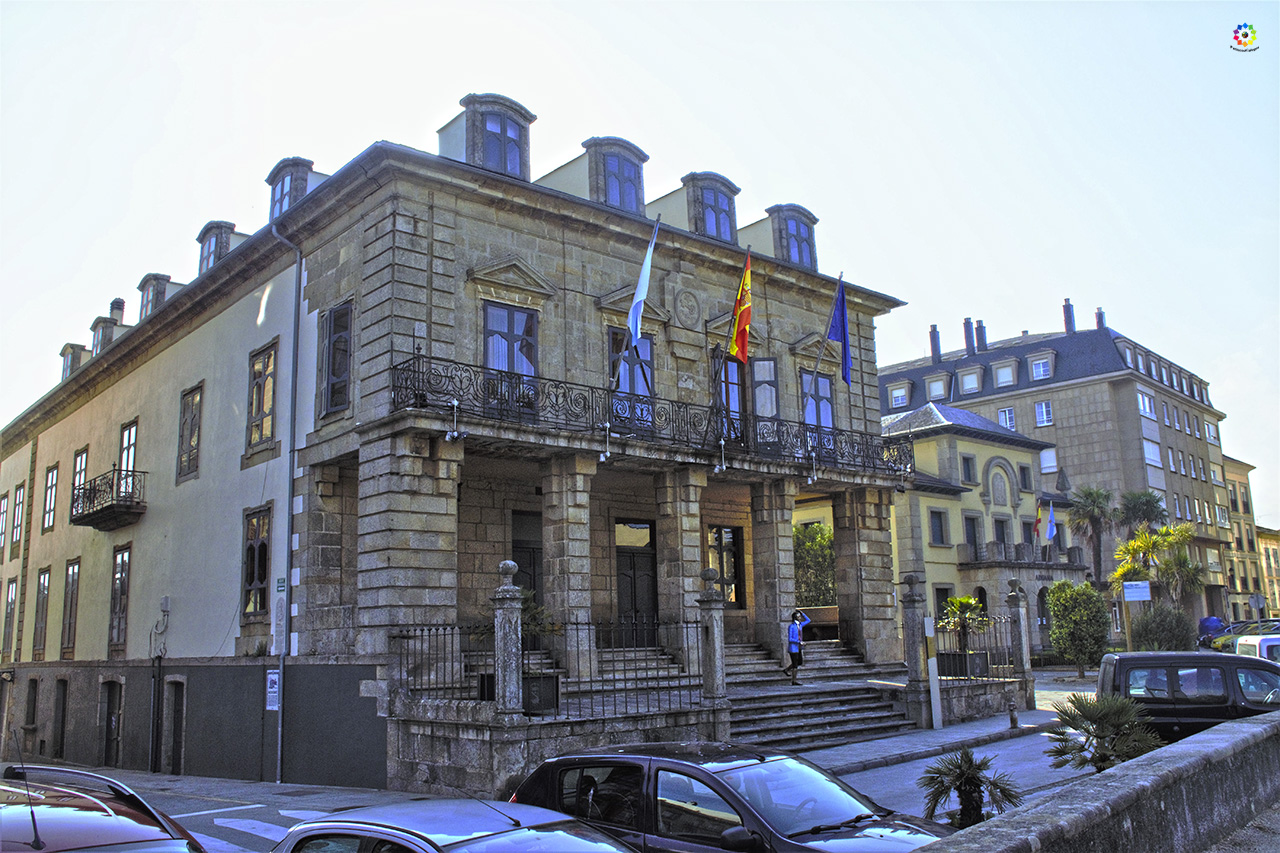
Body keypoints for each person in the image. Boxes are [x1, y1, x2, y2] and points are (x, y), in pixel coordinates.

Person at [781, 610, 811, 685]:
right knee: (795, 664)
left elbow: (808, 620)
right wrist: (799, 642)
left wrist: (802, 613)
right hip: (793, 648)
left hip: (799, 647)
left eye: (800, 616)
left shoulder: (800, 625)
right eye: (798, 617)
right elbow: (790, 639)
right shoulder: (791, 626)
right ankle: (794, 680)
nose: (800, 618)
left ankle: (787, 670)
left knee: (800, 662)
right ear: (795, 618)